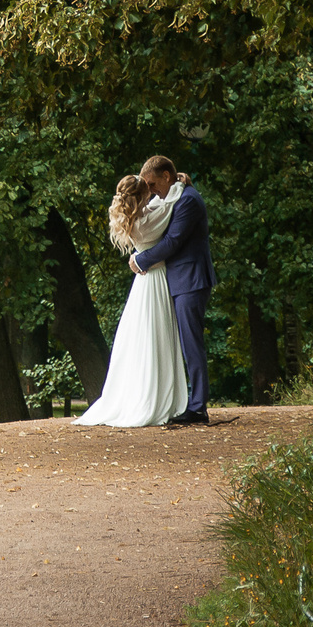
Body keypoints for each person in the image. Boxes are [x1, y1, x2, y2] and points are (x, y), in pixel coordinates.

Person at [73, 170, 188, 427]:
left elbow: (157, 204)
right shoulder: (149, 220)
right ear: (142, 196)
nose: (153, 192)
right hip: (154, 279)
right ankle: (156, 397)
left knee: (144, 335)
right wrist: (178, 183)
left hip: (144, 281)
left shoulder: (136, 218)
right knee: (156, 334)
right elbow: (168, 203)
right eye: (148, 189)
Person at [128, 153, 220, 427]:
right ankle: (182, 403)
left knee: (191, 343)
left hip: (191, 279)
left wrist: (140, 260)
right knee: (182, 343)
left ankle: (198, 407)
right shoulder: (177, 194)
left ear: (166, 176)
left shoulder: (188, 201)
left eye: (153, 184)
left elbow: (173, 241)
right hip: (179, 280)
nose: (151, 190)